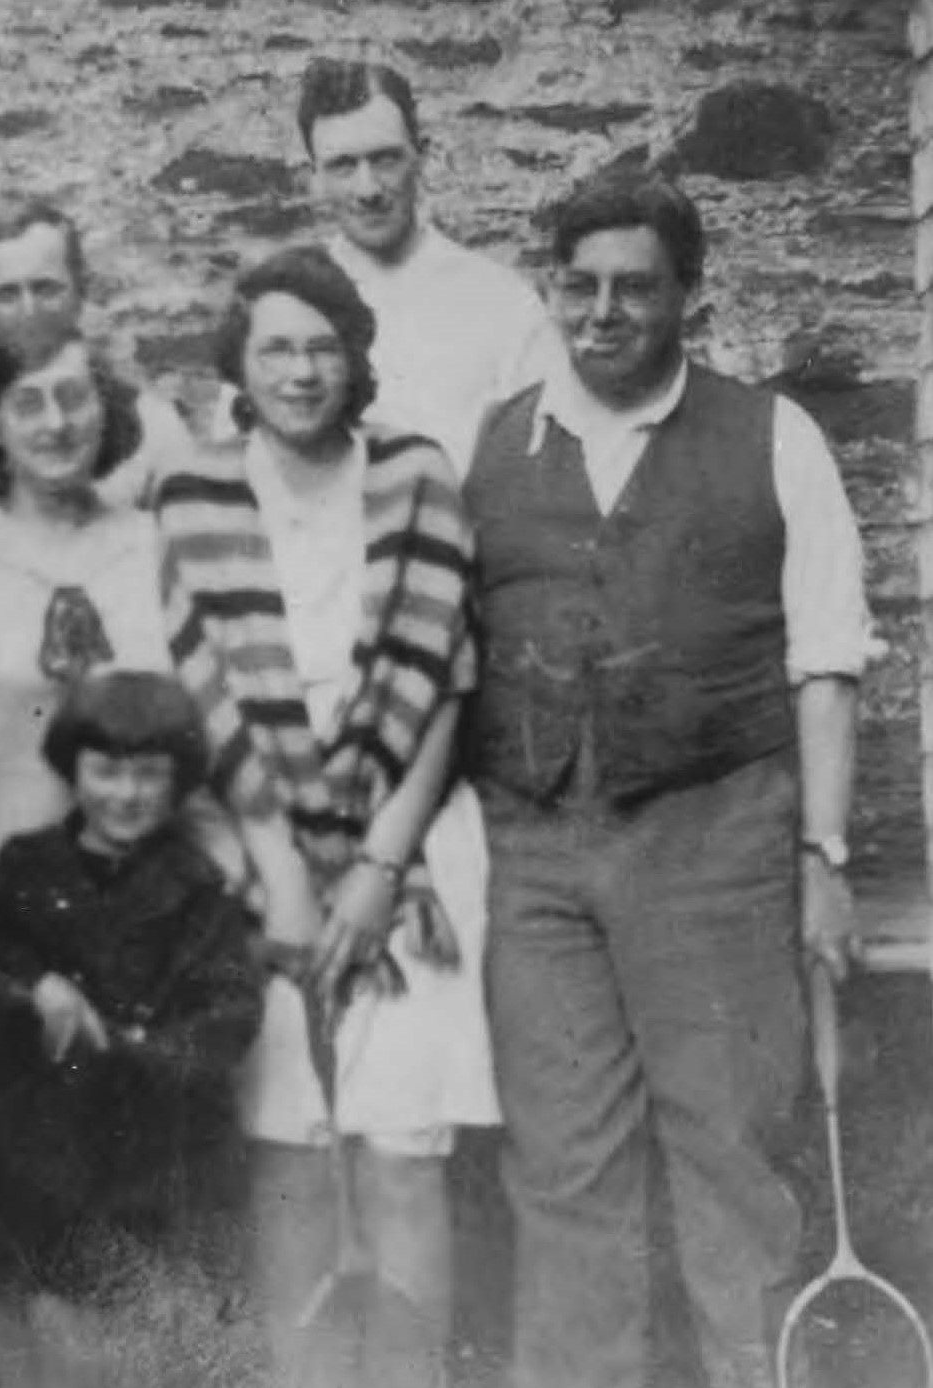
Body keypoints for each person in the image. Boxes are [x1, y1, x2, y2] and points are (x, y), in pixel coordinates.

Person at [461, 170, 870, 1388]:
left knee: (729, 1156)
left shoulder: (770, 436)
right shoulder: (496, 440)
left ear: (687, 293)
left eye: (634, 286)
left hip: (713, 839)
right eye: (576, 285)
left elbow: (827, 659)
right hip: (535, 852)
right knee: (560, 1166)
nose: (601, 311)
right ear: (549, 290)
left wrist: (825, 860)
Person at [157, 244, 498, 1388]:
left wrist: (379, 865)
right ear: (238, 367)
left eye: (322, 346)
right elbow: (197, 686)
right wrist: (285, 872)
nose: (300, 371)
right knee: (291, 1155)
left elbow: (448, 680)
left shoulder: (414, 475)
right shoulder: (196, 492)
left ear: (355, 357)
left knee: (401, 1151)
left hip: (409, 852)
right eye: (275, 349)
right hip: (259, 860)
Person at [0, 324, 196, 1385]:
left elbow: (198, 728)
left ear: (106, 411)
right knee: (27, 1204)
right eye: (28, 402)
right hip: (9, 931)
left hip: (147, 924)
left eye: (73, 398)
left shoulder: (149, 546)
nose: (55, 422)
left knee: (142, 1206)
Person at [0, 669, 263, 1387]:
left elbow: (230, 1014)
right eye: (106, 771)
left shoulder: (198, 889)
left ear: (179, 781)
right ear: (74, 768)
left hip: (151, 1154)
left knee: (137, 1330)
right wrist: (34, 990)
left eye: (148, 775)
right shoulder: (30, 869)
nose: (125, 795)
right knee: (30, 1318)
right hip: (42, 1149)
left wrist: (137, 1048)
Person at [214, 59, 555, 481]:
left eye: (385, 159)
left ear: (422, 157)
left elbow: (541, 476)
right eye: (342, 165)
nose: (368, 189)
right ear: (313, 177)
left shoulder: (503, 304)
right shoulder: (277, 307)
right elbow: (232, 463)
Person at [0, 194, 194, 507]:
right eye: (7, 294)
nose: (29, 310)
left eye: (46, 288)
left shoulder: (156, 430)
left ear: (81, 290)